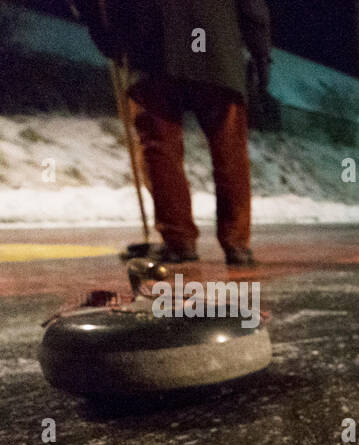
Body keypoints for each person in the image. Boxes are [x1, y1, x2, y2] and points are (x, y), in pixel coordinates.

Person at [82, 0, 271, 266]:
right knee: (229, 148)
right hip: (217, 46)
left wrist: (110, 40)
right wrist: (261, 53)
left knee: (159, 147)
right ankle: (237, 243)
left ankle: (178, 241)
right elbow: (252, 7)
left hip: (150, 46)